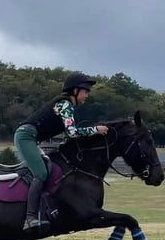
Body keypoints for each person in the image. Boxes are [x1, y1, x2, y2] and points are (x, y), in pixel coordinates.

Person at [13, 71, 108, 231]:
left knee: (50, 168)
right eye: (85, 92)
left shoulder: (67, 105)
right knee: (41, 174)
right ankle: (30, 218)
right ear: (75, 91)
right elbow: (72, 132)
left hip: (30, 137)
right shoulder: (64, 104)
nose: (87, 96)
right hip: (26, 137)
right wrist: (95, 129)